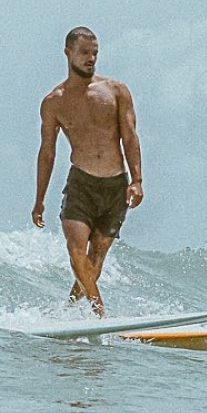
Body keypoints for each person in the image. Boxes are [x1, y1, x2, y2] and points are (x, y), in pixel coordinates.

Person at [32, 27, 143, 317]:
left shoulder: (116, 91)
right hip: (81, 184)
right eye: (84, 52)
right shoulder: (54, 102)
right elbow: (47, 152)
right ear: (68, 52)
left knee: (96, 258)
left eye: (94, 53)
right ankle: (99, 314)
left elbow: (130, 137)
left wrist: (137, 180)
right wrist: (39, 199)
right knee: (76, 250)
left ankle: (68, 311)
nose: (91, 58)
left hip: (115, 186)